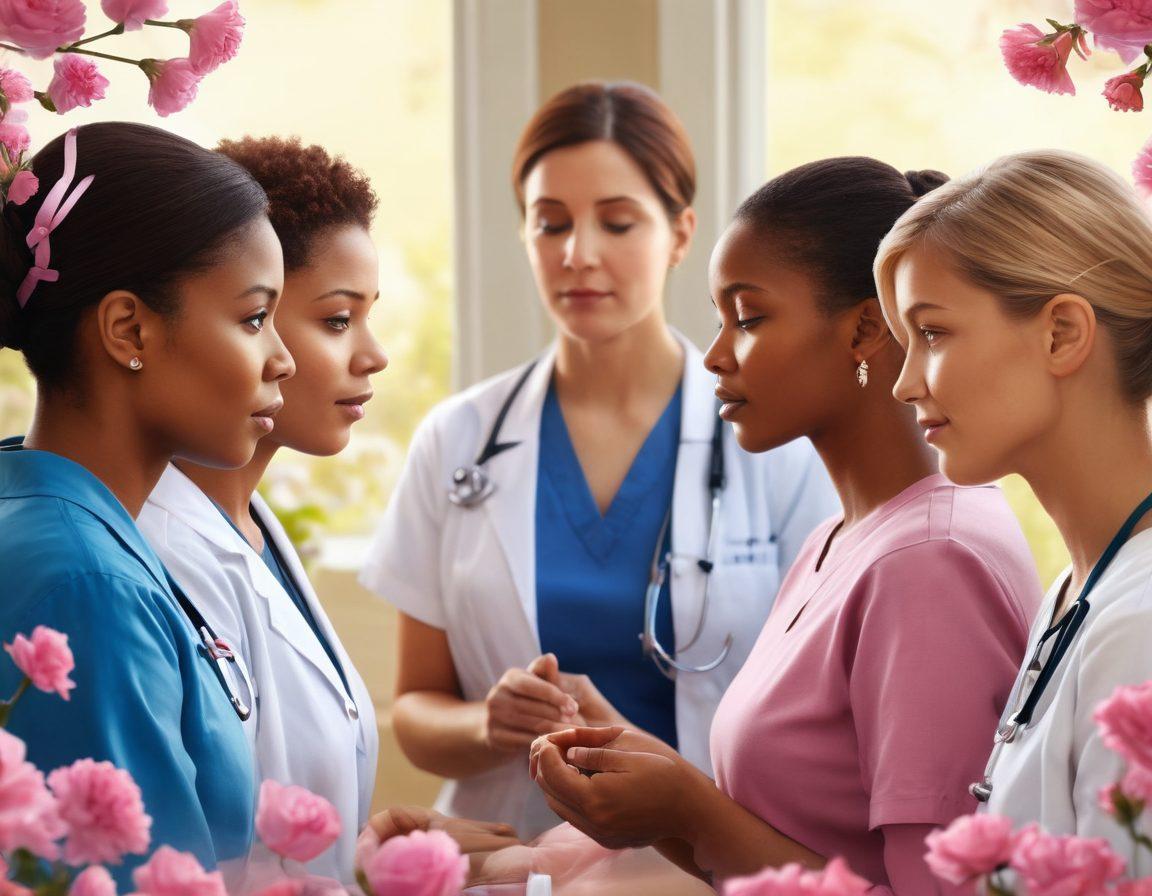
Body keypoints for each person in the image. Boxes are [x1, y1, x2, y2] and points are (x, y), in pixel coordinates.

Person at [529, 158, 1043, 893]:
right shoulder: (838, 541)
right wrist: (646, 778)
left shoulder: (930, 563)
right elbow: (787, 841)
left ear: (865, 328)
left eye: (748, 319)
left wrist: (691, 810)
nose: (715, 356)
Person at [359, 81, 838, 836]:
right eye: (550, 224)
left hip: (699, 861)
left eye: (617, 222)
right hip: (508, 855)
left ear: (680, 234)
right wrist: (489, 723)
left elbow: (821, 715)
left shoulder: (776, 446)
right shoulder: (457, 439)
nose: (578, 254)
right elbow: (417, 712)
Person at [0, 123, 293, 888]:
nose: (283, 359)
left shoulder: (43, 515)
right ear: (129, 328)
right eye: (254, 318)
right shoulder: (87, 588)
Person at [874, 149, 1152, 852]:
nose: (904, 384)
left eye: (931, 333)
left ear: (1062, 334)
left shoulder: (1140, 624)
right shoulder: (1075, 591)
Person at [136, 137, 389, 884]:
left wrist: (378, 855)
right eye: (338, 320)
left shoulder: (252, 524)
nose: (373, 355)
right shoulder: (153, 548)